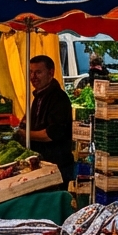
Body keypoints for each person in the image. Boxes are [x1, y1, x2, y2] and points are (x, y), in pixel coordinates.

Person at [21, 55, 76, 185]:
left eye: (38, 72)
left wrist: (25, 134)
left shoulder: (58, 98)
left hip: (57, 167)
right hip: (43, 165)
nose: (33, 77)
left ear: (51, 72)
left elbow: (52, 134)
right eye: (31, 72)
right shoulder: (39, 96)